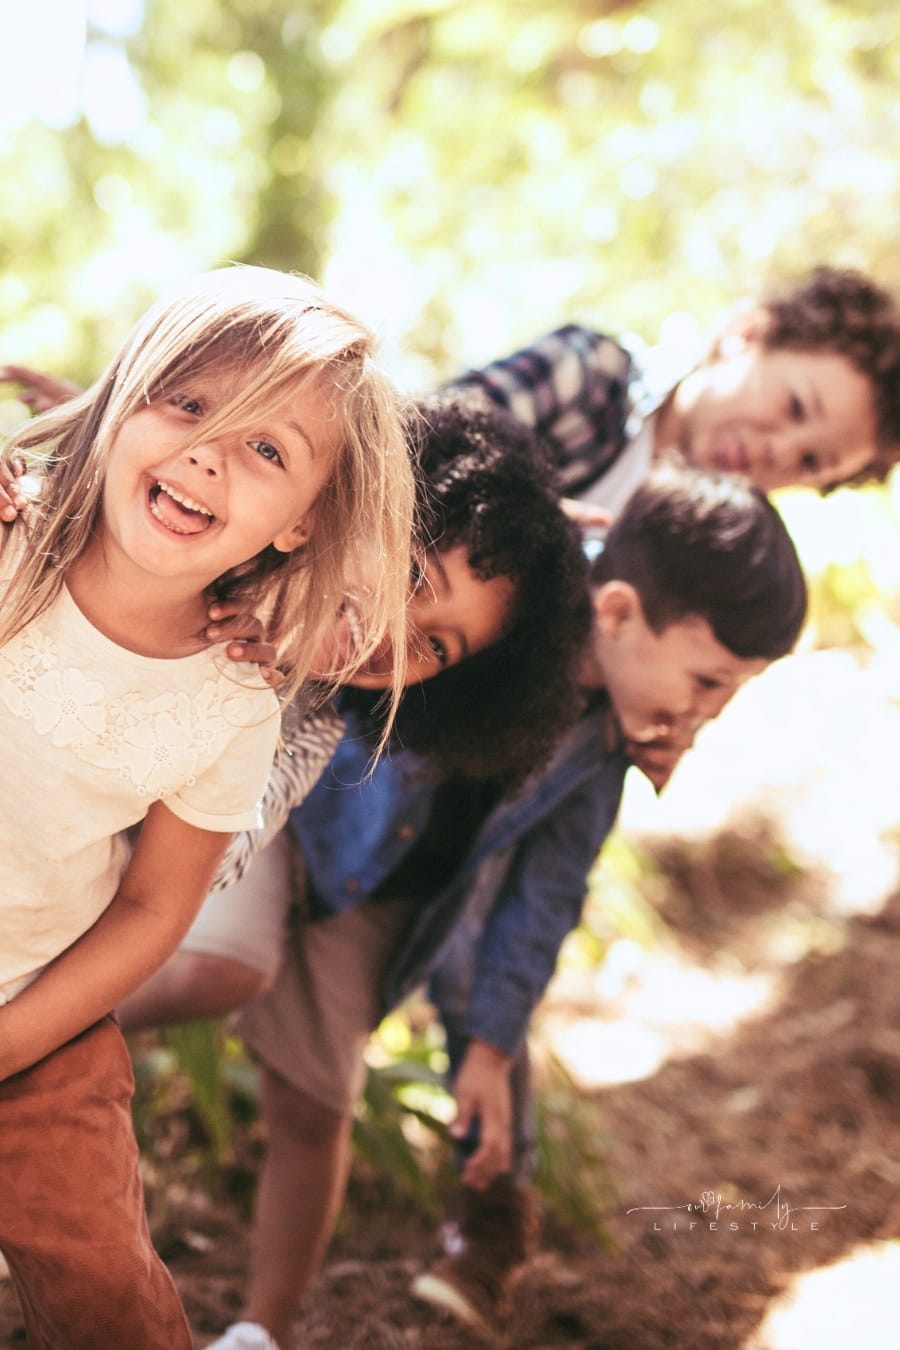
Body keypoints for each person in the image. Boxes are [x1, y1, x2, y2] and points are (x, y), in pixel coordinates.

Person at [141, 459, 806, 1350]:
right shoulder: (514, 586)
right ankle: (37, 1032)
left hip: (376, 895)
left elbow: (543, 896)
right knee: (220, 962)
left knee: (317, 1103)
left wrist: (489, 1047)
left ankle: (262, 1327)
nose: (705, 715)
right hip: (296, 809)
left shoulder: (603, 749)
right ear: (616, 614)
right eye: (709, 682)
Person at [0, 263, 416, 1350]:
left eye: (266, 448)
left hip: (37, 1023)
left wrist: (10, 1044)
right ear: (125, 394)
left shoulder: (233, 707)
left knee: (107, 1295)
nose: (206, 451)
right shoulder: (8, 547)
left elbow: (154, 911)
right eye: (186, 403)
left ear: (301, 523)